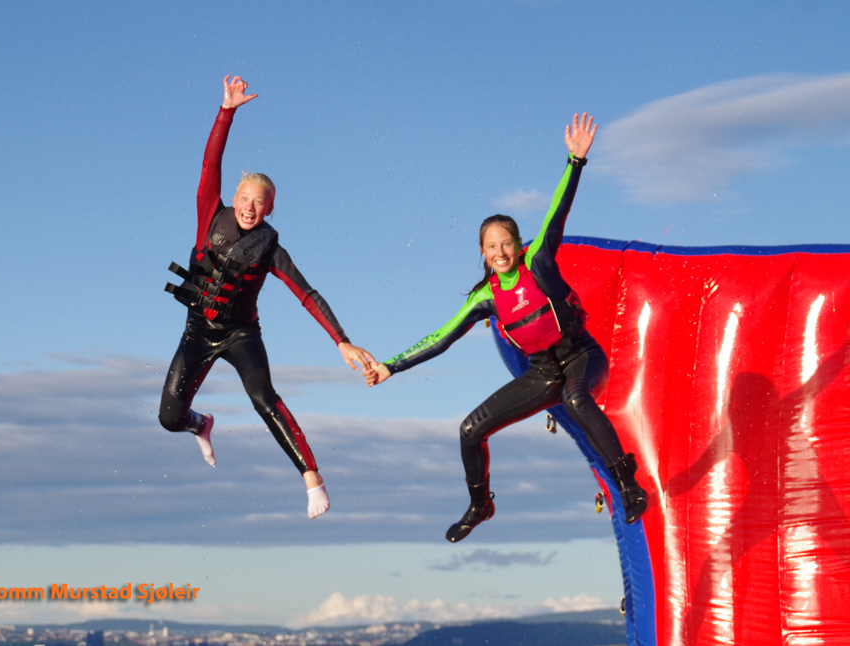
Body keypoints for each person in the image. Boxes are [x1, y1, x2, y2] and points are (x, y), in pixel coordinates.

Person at [365, 113, 648, 541]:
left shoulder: (539, 263)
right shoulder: (486, 298)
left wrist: (575, 162)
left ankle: (627, 484)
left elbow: (557, 212)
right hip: (542, 372)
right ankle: (481, 505)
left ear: (518, 244)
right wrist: (391, 366)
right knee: (469, 430)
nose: (500, 252)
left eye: (506, 244)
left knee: (575, 399)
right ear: (482, 252)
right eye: (491, 247)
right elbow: (440, 338)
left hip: (581, 356)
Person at [160, 75, 375, 519]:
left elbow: (306, 293)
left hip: (241, 334)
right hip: (198, 330)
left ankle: (312, 478)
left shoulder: (272, 249)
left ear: (270, 208)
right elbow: (210, 163)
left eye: (259, 202)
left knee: (263, 397)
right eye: (244, 198)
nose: (248, 207)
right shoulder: (210, 214)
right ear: (233, 198)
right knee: (168, 418)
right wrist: (226, 112)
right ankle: (202, 424)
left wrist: (342, 340)